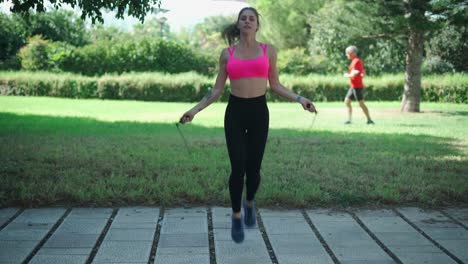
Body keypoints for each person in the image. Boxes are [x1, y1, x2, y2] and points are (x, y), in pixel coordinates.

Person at [179, 7, 316, 243]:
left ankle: (249, 201)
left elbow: (276, 85)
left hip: (259, 113)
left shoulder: (268, 51)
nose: (247, 21)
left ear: (257, 25)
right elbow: (217, 90)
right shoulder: (227, 54)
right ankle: (236, 215)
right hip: (235, 112)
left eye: (252, 18)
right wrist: (194, 110)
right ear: (239, 24)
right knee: (238, 168)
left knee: (253, 170)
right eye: (243, 18)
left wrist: (300, 99)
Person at [343, 45, 374, 124]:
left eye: (347, 53)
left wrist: (347, 75)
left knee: (361, 104)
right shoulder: (354, 61)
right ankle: (349, 120)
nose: (346, 55)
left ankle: (369, 120)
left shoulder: (357, 61)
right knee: (347, 101)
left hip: (357, 87)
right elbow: (362, 72)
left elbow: (355, 73)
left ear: (353, 53)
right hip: (353, 86)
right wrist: (362, 74)